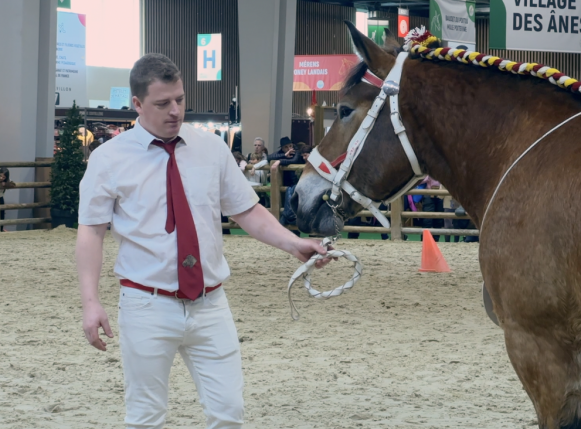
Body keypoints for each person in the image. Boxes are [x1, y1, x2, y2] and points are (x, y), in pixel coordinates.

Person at [75, 53, 332, 429]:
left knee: (229, 413)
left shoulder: (211, 148)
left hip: (211, 304)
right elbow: (91, 232)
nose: (175, 110)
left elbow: (247, 211)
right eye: (162, 103)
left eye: (180, 99)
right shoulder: (108, 159)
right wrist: (90, 302)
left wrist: (295, 244)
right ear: (137, 104)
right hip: (146, 303)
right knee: (145, 417)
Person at [0, 167, 17, 232]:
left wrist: (6, 184)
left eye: (3, 177)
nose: (1, 178)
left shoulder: (6, 181)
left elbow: (13, 184)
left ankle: (1, 229)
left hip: (0, 198)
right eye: (0, 176)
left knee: (1, 215)